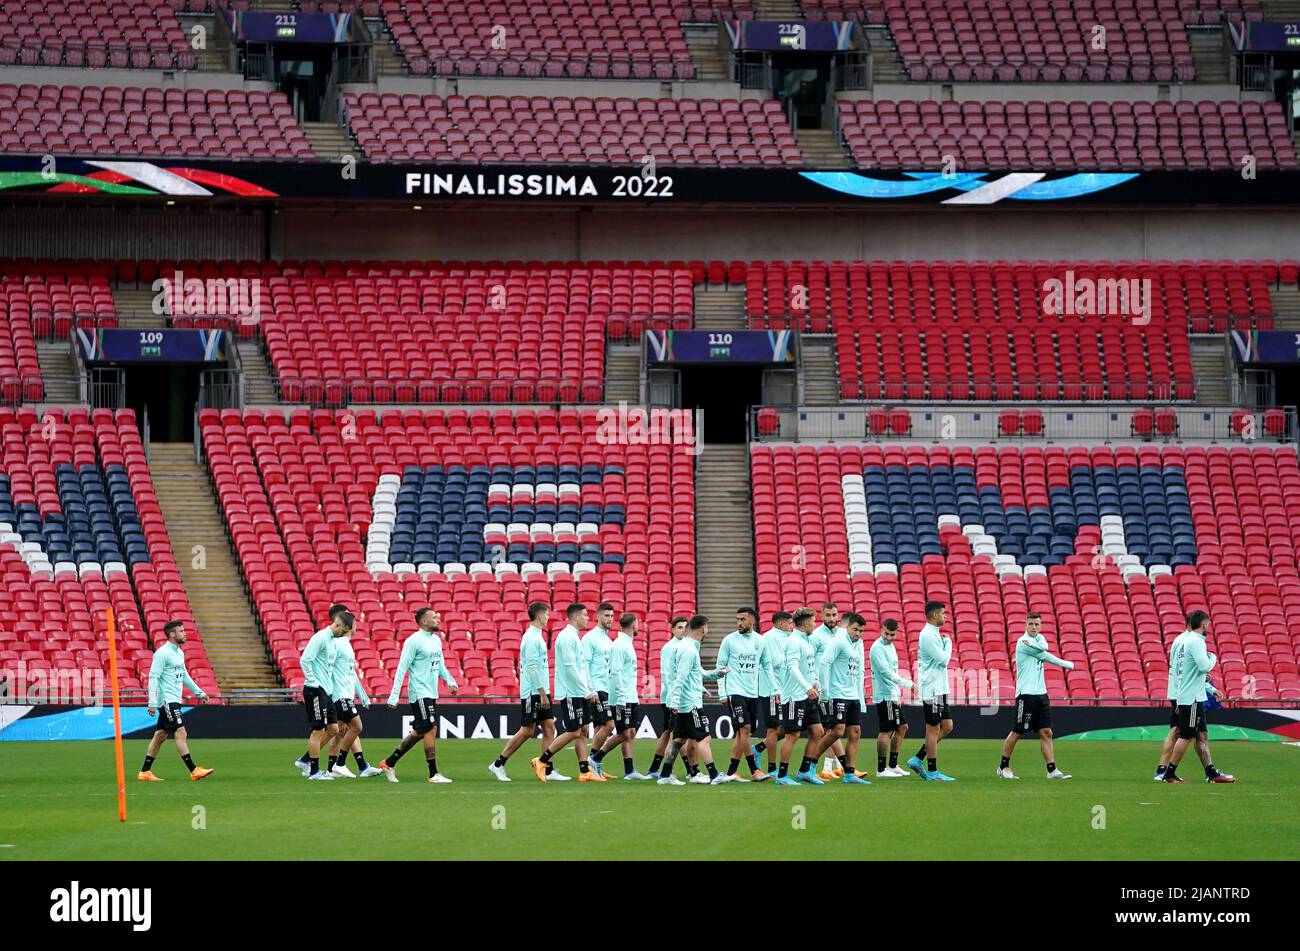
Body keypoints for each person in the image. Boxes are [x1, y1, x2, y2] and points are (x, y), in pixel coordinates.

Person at [377, 608, 459, 784]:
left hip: (431, 691)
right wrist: (394, 695)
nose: (438, 619)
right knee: (430, 728)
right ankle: (433, 773)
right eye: (434, 617)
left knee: (423, 730)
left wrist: (450, 681)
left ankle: (390, 762)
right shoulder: (413, 641)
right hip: (419, 692)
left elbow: (440, 664)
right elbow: (402, 667)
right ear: (423, 621)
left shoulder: (436, 640)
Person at [1160, 611, 1235, 784]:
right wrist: (1213, 657)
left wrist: (1208, 688)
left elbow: (1183, 671)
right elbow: (1204, 666)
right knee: (1187, 734)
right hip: (1191, 697)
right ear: (1203, 625)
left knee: (1201, 734)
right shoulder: (1196, 641)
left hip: (1188, 694)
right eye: (1207, 624)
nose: (1208, 627)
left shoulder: (1182, 641)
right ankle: (1169, 774)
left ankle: (1211, 773)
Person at [531, 603, 605, 781]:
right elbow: (570, 668)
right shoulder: (566, 638)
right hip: (571, 692)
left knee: (584, 730)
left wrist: (589, 689)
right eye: (585, 615)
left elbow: (582, 667)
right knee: (573, 731)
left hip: (580, 692)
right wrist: (584, 691)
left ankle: (584, 770)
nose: (588, 618)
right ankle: (542, 760)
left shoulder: (575, 637)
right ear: (576, 617)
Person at [997, 612, 1074, 780]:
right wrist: (1067, 664)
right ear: (1026, 625)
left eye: (1037, 624)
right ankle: (1003, 767)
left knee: (1047, 732)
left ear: (1041, 626)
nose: (1034, 627)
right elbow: (1044, 653)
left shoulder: (1039, 639)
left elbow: (1044, 645)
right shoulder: (1022, 642)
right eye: (1031, 624)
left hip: (1041, 695)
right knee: (1017, 731)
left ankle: (1052, 770)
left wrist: (1042, 642)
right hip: (1026, 695)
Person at [490, 601, 559, 781]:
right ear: (540, 616)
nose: (548, 618)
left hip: (542, 690)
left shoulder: (537, 636)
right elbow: (532, 667)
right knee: (527, 730)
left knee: (549, 727)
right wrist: (542, 692)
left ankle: (547, 770)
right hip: (533, 692)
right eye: (547, 614)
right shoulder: (531, 638)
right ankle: (498, 764)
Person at [657, 614, 730, 785]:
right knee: (703, 738)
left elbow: (696, 673)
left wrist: (715, 673)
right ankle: (714, 775)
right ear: (704, 628)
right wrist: (675, 701)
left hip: (684, 701)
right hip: (689, 703)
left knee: (678, 739)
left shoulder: (687, 647)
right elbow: (680, 677)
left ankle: (665, 775)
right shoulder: (689, 650)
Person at [137, 620, 213, 782]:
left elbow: (184, 675)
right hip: (167, 700)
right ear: (172, 634)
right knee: (181, 731)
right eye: (181, 631)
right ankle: (194, 770)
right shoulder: (162, 653)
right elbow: (153, 677)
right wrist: (151, 702)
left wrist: (199, 692)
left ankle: (145, 772)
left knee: (160, 735)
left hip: (174, 699)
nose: (185, 633)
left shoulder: (179, 652)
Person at [592, 612, 654, 780]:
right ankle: (595, 758)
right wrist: (620, 699)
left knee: (631, 732)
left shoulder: (627, 643)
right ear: (633, 625)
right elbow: (616, 673)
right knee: (624, 733)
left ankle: (629, 770)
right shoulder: (620, 645)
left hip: (630, 696)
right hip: (622, 697)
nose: (639, 626)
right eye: (638, 623)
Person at [810, 612, 870, 783]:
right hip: (837, 694)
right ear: (847, 627)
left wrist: (861, 698)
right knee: (837, 731)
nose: (858, 634)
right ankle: (810, 765)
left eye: (861, 631)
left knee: (855, 733)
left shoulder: (859, 644)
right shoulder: (838, 641)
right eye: (855, 629)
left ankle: (849, 773)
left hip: (853, 696)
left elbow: (859, 671)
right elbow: (824, 663)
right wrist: (826, 692)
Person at [295, 603, 352, 775]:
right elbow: (305, 660)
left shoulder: (333, 641)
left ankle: (305, 760)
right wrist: (313, 681)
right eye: (343, 631)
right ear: (337, 624)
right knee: (318, 730)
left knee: (334, 729)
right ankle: (314, 771)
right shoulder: (320, 638)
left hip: (326, 691)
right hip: (315, 689)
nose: (343, 635)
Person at [325, 614, 383, 778]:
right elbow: (328, 667)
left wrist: (362, 695)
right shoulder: (337, 644)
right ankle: (339, 764)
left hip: (346, 695)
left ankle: (331, 769)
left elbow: (351, 674)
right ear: (349, 628)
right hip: (340, 695)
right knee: (356, 727)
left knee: (340, 731)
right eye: (356, 625)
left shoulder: (347, 646)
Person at [906, 601, 956, 782]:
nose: (945, 616)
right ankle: (933, 771)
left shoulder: (933, 634)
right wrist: (948, 642)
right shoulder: (927, 634)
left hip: (940, 688)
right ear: (935, 615)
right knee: (933, 729)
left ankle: (918, 758)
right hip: (931, 689)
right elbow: (943, 660)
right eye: (943, 613)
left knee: (947, 726)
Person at [775, 607, 825, 786]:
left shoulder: (807, 640)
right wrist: (806, 687)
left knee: (818, 732)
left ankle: (804, 771)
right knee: (793, 735)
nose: (815, 624)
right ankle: (782, 776)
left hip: (807, 695)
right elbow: (793, 668)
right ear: (804, 624)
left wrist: (814, 681)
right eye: (813, 621)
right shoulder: (794, 641)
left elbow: (809, 666)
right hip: (794, 696)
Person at [715, 607, 766, 780]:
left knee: (742, 733)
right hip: (735, 691)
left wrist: (774, 690)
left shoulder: (760, 641)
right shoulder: (729, 640)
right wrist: (722, 693)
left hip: (753, 692)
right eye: (737, 619)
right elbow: (720, 667)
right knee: (744, 729)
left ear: (752, 621)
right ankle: (754, 770)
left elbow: (766, 666)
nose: (739, 623)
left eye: (743, 619)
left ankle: (731, 772)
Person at [647, 615, 695, 780]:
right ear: (673, 630)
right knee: (677, 735)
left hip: (674, 697)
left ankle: (654, 768)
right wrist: (673, 698)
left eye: (684, 627)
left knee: (669, 733)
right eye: (679, 627)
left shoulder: (684, 646)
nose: (683, 630)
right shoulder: (670, 648)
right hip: (673, 698)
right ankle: (684, 770)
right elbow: (668, 674)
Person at [810, 603, 851, 779]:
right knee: (831, 729)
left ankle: (835, 767)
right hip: (822, 689)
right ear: (822, 615)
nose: (832, 619)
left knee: (834, 729)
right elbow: (810, 661)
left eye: (834, 615)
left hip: (839, 689)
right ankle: (829, 767)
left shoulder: (843, 634)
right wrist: (814, 683)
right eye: (828, 615)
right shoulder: (816, 635)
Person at [869, 618, 913, 777]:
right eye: (886, 633)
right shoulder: (877, 648)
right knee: (886, 730)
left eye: (892, 634)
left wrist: (898, 694)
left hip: (892, 694)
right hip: (884, 694)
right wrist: (909, 685)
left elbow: (893, 670)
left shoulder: (891, 646)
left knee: (902, 727)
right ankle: (881, 769)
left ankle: (893, 765)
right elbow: (886, 673)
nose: (888, 637)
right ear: (881, 630)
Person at [753, 610, 793, 777]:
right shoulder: (769, 638)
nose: (792, 626)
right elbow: (774, 663)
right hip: (771, 690)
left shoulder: (789, 638)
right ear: (780, 623)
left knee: (789, 728)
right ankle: (771, 768)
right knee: (774, 729)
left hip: (786, 689)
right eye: (789, 623)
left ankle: (758, 749)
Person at [582, 603, 617, 776]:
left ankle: (594, 768)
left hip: (606, 688)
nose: (610, 619)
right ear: (597, 616)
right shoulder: (590, 638)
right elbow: (584, 665)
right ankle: (592, 761)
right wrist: (590, 689)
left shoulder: (608, 640)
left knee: (599, 728)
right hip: (597, 688)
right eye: (606, 616)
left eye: (612, 616)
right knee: (609, 725)